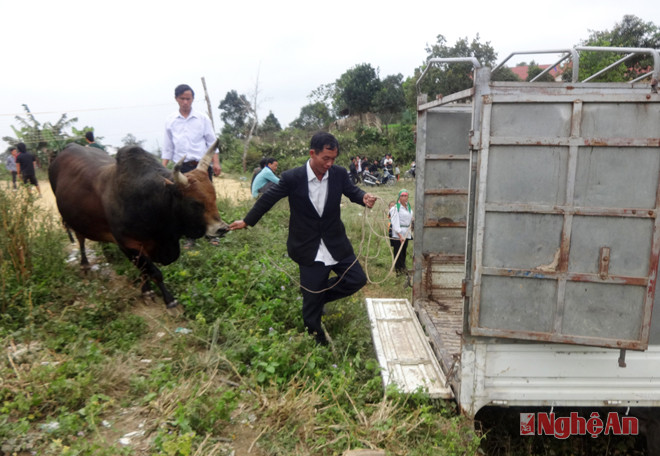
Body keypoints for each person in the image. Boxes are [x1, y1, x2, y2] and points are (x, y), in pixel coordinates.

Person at [229, 132, 377, 345]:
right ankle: (318, 343)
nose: (329, 163)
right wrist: (247, 221)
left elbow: (352, 191)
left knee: (356, 279)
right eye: (325, 158)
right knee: (311, 312)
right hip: (308, 247)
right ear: (312, 153)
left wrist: (363, 197)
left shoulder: (338, 174)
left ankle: (319, 296)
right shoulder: (293, 177)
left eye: (333, 159)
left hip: (335, 242)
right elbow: (268, 199)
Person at [162, 84, 221, 181]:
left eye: (188, 99)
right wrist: (163, 168)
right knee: (181, 195)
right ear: (176, 98)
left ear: (193, 99)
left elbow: (212, 143)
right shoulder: (170, 121)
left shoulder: (202, 119)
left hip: (201, 166)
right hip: (181, 169)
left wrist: (216, 163)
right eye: (182, 98)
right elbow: (168, 148)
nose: (185, 102)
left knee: (204, 194)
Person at [389, 189, 413, 276]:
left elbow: (409, 218)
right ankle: (399, 271)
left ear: (407, 197)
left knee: (403, 252)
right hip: (398, 234)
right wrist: (399, 235)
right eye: (402, 196)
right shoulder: (395, 209)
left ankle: (403, 268)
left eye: (405, 195)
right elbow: (395, 223)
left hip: (406, 233)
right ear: (399, 197)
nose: (403, 197)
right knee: (398, 252)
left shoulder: (408, 207)